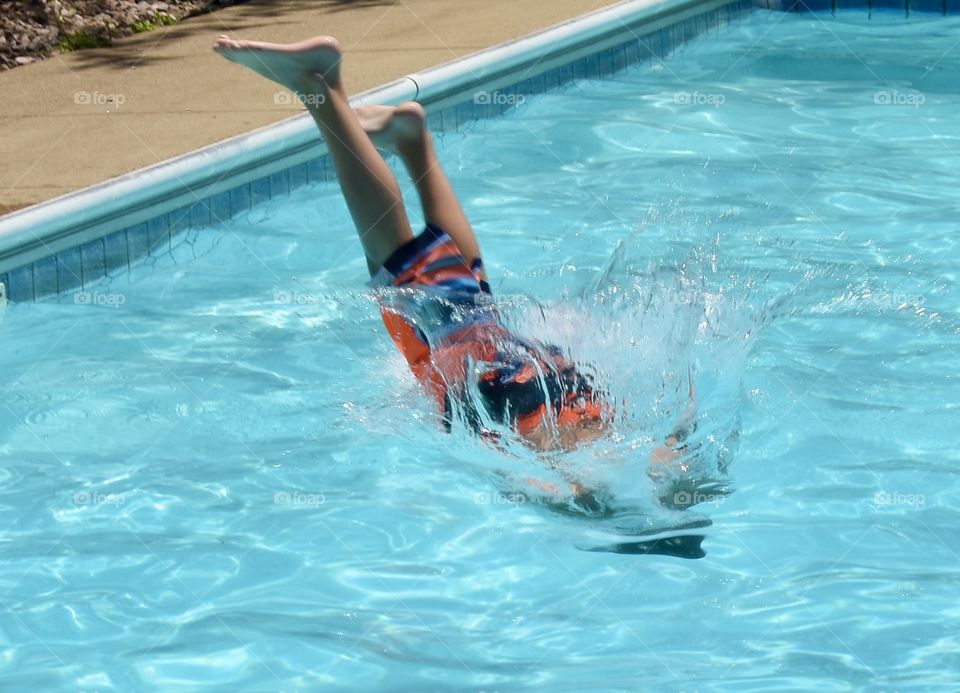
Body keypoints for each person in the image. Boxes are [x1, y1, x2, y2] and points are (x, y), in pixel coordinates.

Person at [215, 34, 615, 456]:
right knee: (396, 268)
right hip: (491, 385)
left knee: (471, 305)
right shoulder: (568, 462)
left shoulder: (616, 441)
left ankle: (411, 140)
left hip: (540, 374)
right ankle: (318, 85)